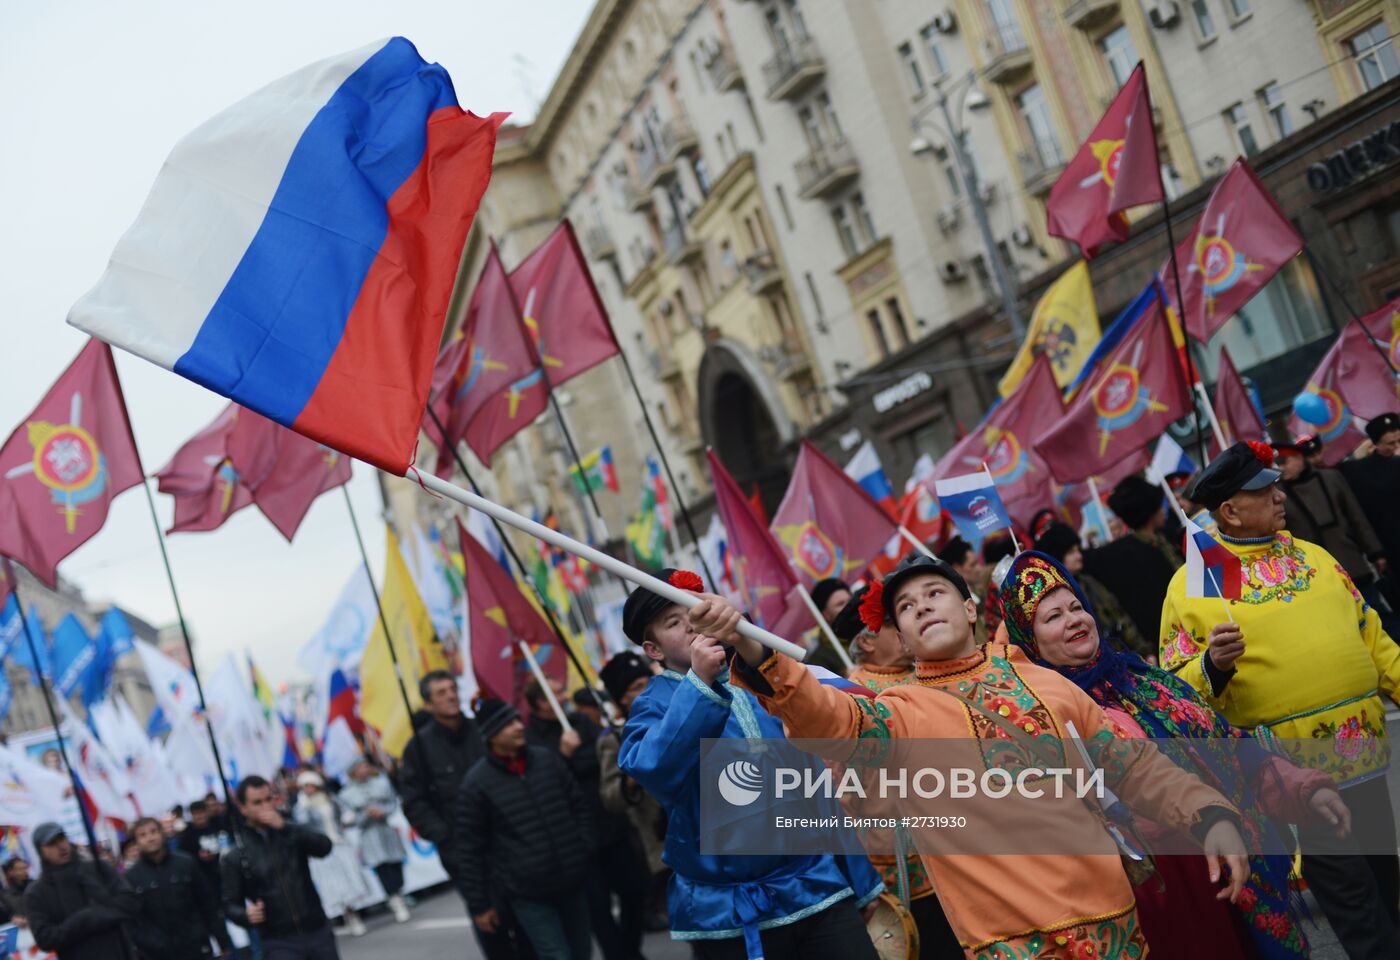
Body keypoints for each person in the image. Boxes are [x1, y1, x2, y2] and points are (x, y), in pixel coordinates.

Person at [721, 553, 1251, 959]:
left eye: (935, 593)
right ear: (901, 639)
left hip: (1112, 922)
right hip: (1008, 943)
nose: (922, 606)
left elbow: (1131, 766)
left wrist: (1208, 816)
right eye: (907, 607)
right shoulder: (896, 716)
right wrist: (753, 649)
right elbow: (827, 719)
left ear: (970, 608)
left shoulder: (1046, 683)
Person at [998, 550, 1349, 959]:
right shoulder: (1045, 720)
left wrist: (1304, 789)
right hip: (1169, 902)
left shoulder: (1144, 681)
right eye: (1053, 617)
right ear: (1030, 640)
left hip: (1242, 875)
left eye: (1076, 607)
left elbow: (1231, 749)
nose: (1074, 620)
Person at [1161, 440, 1400, 960]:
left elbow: (1373, 637)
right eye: (1264, 491)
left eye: (1275, 486)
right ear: (1229, 511)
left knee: (1387, 881)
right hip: (1294, 774)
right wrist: (1212, 665)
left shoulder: (1315, 557)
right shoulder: (1196, 583)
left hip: (1367, 756)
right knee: (1355, 901)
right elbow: (1175, 689)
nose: (1279, 496)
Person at [617, 568, 884, 960]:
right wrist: (700, 685)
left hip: (817, 886)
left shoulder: (763, 678)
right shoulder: (652, 705)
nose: (691, 625)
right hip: (729, 912)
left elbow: (817, 787)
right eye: (673, 623)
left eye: (695, 610)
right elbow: (654, 768)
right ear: (653, 650)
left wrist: (859, 878)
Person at [829, 587, 963, 958]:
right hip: (906, 870)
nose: (904, 627)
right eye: (892, 623)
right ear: (867, 642)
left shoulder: (928, 674)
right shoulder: (849, 698)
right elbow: (842, 797)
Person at [457, 698, 595, 960]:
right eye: (508, 724)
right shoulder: (476, 784)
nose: (519, 726)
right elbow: (470, 850)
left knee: (581, 951)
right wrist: (480, 904)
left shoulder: (546, 759)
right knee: (555, 955)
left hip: (572, 879)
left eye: (517, 720)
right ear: (492, 735)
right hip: (528, 893)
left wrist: (583, 849)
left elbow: (579, 807)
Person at [524, 674, 648, 960]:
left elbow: (605, 757)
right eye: (557, 693)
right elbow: (543, 782)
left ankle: (629, 951)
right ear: (541, 702)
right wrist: (563, 755)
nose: (564, 697)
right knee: (598, 909)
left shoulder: (581, 722)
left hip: (610, 824)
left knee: (635, 892)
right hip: (577, 837)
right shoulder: (532, 738)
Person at [221, 774, 340, 960]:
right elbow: (229, 903)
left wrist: (285, 827)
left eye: (268, 799)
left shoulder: (290, 833)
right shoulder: (236, 854)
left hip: (316, 929)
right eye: (257, 802)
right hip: (278, 940)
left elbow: (324, 847)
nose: (265, 806)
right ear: (243, 808)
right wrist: (245, 915)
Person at [1276, 435, 1389, 616]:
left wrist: (1375, 552)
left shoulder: (1331, 477)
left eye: (1284, 462)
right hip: (1316, 574)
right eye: (1277, 463)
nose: (1281, 468)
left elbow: (1355, 516)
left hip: (1350, 560)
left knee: (1375, 613)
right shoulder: (1278, 494)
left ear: (1299, 458)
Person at [597, 652, 669, 932]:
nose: (647, 689)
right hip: (663, 842)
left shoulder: (678, 714)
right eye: (637, 687)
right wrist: (630, 778)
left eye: (648, 681)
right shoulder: (614, 739)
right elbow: (611, 798)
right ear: (622, 699)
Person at [1083, 474, 1183, 645]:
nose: (1163, 510)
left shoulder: (1167, 536)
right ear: (1150, 512)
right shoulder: (1125, 554)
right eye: (1158, 506)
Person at [1033, 521, 1150, 659]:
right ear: (1057, 556)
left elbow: (1120, 617)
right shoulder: (1052, 596)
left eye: (1078, 550)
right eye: (1071, 552)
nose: (1079, 556)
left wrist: (1144, 651)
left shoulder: (1089, 582)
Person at [25, 821, 139, 960]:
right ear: (41, 851)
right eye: (52, 843)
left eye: (62, 838)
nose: (61, 846)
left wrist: (98, 915)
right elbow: (45, 939)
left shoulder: (98, 868)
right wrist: (82, 921)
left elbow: (131, 903)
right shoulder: (36, 893)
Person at [126, 815, 234, 960]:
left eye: (153, 831)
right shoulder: (131, 877)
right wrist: (151, 944)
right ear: (136, 842)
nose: (150, 838)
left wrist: (222, 939)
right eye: (143, 835)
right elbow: (134, 921)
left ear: (162, 833)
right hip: (158, 954)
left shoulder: (186, 863)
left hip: (196, 947)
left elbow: (207, 904)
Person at [291, 770, 371, 937]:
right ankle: (347, 915)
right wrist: (303, 806)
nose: (307, 789)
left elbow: (347, 814)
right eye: (304, 786)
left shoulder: (330, 800)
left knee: (349, 880)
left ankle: (353, 914)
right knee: (334, 884)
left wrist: (348, 818)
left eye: (310, 785)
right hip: (322, 850)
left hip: (340, 845)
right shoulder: (302, 807)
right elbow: (301, 826)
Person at [339, 757, 412, 924]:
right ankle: (394, 899)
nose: (364, 769)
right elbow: (348, 818)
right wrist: (365, 815)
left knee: (395, 863)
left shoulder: (381, 783)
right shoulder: (346, 794)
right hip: (369, 835)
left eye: (366, 765)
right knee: (382, 867)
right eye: (360, 767)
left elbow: (392, 803)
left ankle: (399, 892)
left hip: (386, 830)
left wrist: (382, 811)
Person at [1341, 412, 1400, 609]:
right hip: (1391, 546)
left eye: (1399, 441)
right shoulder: (1360, 471)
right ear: (1375, 444)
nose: (1396, 447)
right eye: (1390, 443)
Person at [832, 584, 914, 693]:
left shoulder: (926, 657)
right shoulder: (858, 693)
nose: (903, 624)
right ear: (865, 643)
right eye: (891, 623)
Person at [937, 538, 990, 642]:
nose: (979, 568)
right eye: (973, 565)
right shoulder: (953, 607)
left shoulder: (982, 591)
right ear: (956, 568)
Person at [178, 799, 231, 899]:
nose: (199, 816)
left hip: (225, 871)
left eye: (201, 812)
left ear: (207, 812)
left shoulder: (218, 825)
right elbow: (184, 857)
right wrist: (198, 856)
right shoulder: (187, 834)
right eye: (196, 814)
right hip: (204, 878)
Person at [805, 577, 853, 674]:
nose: (849, 607)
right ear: (825, 614)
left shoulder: (872, 633)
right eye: (840, 604)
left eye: (850, 601)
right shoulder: (819, 661)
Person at [1, 857, 31, 928]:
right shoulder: (5, 895)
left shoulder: (37, 887)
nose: (24, 871)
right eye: (20, 869)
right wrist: (12, 918)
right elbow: (5, 915)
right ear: (11, 872)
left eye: (25, 868)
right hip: (23, 931)